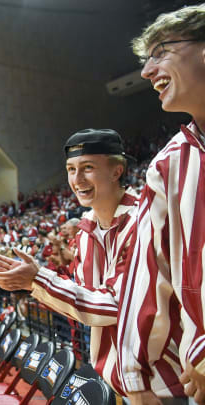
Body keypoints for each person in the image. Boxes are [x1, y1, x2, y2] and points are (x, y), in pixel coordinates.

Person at [0, 129, 185, 400]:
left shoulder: (144, 223)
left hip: (167, 381)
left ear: (117, 171)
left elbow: (114, 307)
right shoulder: (84, 235)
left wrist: (38, 280)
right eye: (70, 169)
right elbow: (85, 307)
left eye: (88, 168)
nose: (76, 179)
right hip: (120, 381)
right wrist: (30, 283)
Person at [117, 5, 205, 404]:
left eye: (160, 52)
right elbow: (149, 280)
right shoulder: (169, 165)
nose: (147, 72)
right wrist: (136, 380)